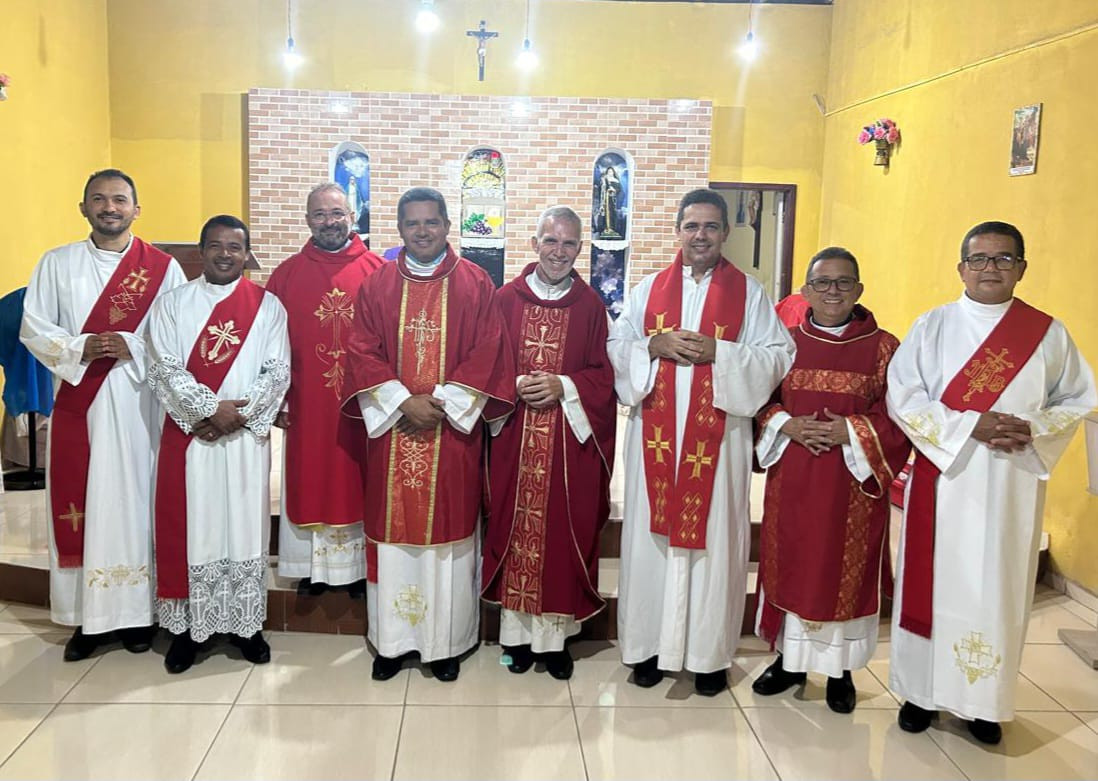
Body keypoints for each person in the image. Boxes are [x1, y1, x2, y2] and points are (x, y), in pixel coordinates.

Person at [887, 221, 1096, 745]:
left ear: (1022, 268)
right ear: (961, 267)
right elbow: (903, 396)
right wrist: (967, 424)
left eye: (1004, 259)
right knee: (933, 583)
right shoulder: (932, 326)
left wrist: (1033, 427)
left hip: (1010, 486)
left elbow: (1076, 400)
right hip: (945, 478)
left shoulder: (1048, 334)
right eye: (979, 259)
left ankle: (984, 703)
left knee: (996, 589)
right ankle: (921, 694)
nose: (990, 269)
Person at [608, 188, 794, 696]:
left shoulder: (750, 293)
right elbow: (616, 345)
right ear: (677, 230)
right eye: (691, 226)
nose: (701, 236)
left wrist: (722, 352)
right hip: (655, 442)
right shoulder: (648, 290)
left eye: (711, 227)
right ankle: (645, 649)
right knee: (650, 544)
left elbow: (779, 354)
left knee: (716, 544)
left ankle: (708, 657)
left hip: (720, 442)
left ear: (725, 233)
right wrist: (653, 343)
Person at [342, 187, 514, 683]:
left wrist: (440, 405)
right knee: (394, 543)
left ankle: (444, 646)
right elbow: (361, 349)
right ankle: (392, 644)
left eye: (431, 222)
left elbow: (489, 350)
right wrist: (402, 402)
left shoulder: (476, 283)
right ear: (399, 228)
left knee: (448, 541)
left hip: (450, 436)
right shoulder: (376, 286)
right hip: (394, 431)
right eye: (413, 223)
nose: (422, 231)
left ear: (447, 225)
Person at [20, 169, 187, 661]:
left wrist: (131, 343)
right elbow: (34, 327)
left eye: (119, 200)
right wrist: (80, 346)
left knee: (136, 503)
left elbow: (178, 332)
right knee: (87, 504)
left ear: (137, 209)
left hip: (139, 409)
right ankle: (87, 621)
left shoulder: (162, 268)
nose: (109, 207)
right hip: (80, 406)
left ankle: (138, 617)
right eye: (99, 199)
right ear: (83, 207)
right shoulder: (57, 264)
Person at [751, 247, 910, 713]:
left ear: (859, 289)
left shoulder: (885, 348)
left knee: (844, 571)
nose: (833, 292)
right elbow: (758, 399)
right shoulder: (781, 342)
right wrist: (786, 424)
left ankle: (840, 672)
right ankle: (789, 662)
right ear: (805, 291)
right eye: (822, 283)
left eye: (843, 282)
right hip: (795, 475)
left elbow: (899, 416)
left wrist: (851, 430)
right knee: (792, 564)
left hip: (852, 483)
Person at [147, 215, 290, 673]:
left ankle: (246, 627)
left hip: (244, 441)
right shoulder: (172, 305)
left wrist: (235, 416)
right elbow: (165, 368)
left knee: (244, 525)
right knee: (196, 526)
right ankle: (190, 630)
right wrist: (207, 411)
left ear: (246, 254)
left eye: (234, 247)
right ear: (201, 250)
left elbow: (278, 371)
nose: (225, 254)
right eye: (215, 246)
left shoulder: (268, 307)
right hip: (193, 439)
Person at [482, 206, 617, 680]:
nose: (559, 253)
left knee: (562, 533)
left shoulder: (591, 306)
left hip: (567, 442)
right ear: (534, 243)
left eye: (569, 244)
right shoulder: (503, 300)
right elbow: (484, 362)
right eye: (551, 241)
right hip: (515, 434)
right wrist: (512, 381)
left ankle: (555, 642)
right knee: (513, 527)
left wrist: (566, 385)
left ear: (581, 248)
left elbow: (605, 375)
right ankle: (517, 640)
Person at [266, 183, 383, 597]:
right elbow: (268, 344)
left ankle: (354, 571)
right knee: (310, 478)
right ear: (307, 220)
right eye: (319, 214)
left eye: (337, 213)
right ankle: (311, 569)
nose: (329, 221)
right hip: (307, 404)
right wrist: (276, 400)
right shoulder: (286, 275)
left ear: (352, 217)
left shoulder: (376, 271)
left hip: (360, 404)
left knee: (357, 480)